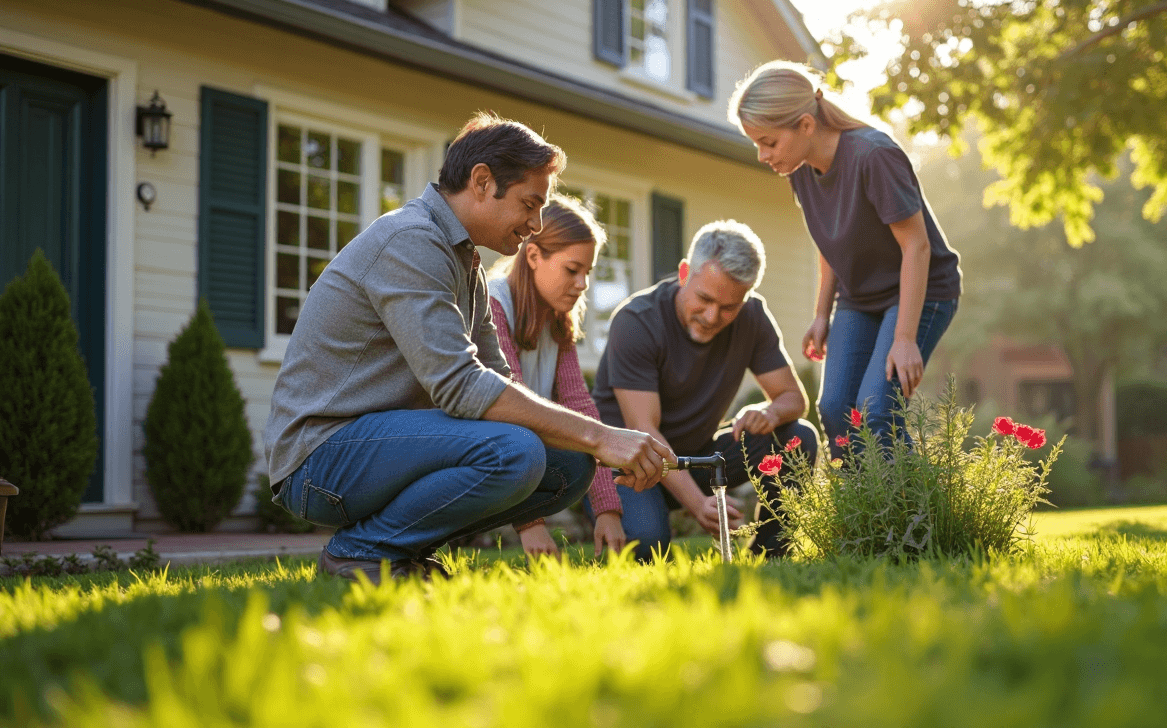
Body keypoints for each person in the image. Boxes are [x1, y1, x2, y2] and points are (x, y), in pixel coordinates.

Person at [263, 112, 673, 584]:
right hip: (320, 456)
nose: (536, 224)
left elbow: (501, 383)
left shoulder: (465, 262)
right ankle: (360, 553)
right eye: (529, 204)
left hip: (375, 446)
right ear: (482, 182)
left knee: (567, 466)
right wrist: (603, 436)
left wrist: (594, 448)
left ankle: (403, 553)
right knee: (515, 451)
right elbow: (460, 387)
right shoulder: (411, 241)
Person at [728, 61, 962, 447]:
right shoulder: (801, 169)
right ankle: (859, 508)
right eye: (757, 144)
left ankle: (915, 508)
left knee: (877, 412)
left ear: (805, 124)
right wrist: (821, 314)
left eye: (769, 142)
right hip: (859, 299)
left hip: (922, 290)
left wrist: (904, 338)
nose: (762, 155)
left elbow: (917, 247)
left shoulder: (874, 156)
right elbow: (829, 242)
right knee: (837, 409)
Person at [591, 221, 819, 560]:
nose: (713, 316)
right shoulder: (637, 321)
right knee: (647, 548)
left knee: (798, 435)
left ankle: (772, 556)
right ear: (685, 272)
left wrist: (767, 413)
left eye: (729, 307)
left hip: (697, 458)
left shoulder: (753, 317)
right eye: (704, 299)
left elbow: (793, 400)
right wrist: (701, 506)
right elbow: (645, 431)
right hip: (630, 464)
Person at [486, 195, 627, 559]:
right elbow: (509, 407)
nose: (582, 284)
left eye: (587, 273)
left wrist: (607, 510)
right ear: (533, 256)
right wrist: (530, 523)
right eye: (572, 270)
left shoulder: (557, 321)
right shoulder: (493, 305)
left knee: (576, 462)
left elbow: (579, 407)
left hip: (511, 451)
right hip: (473, 448)